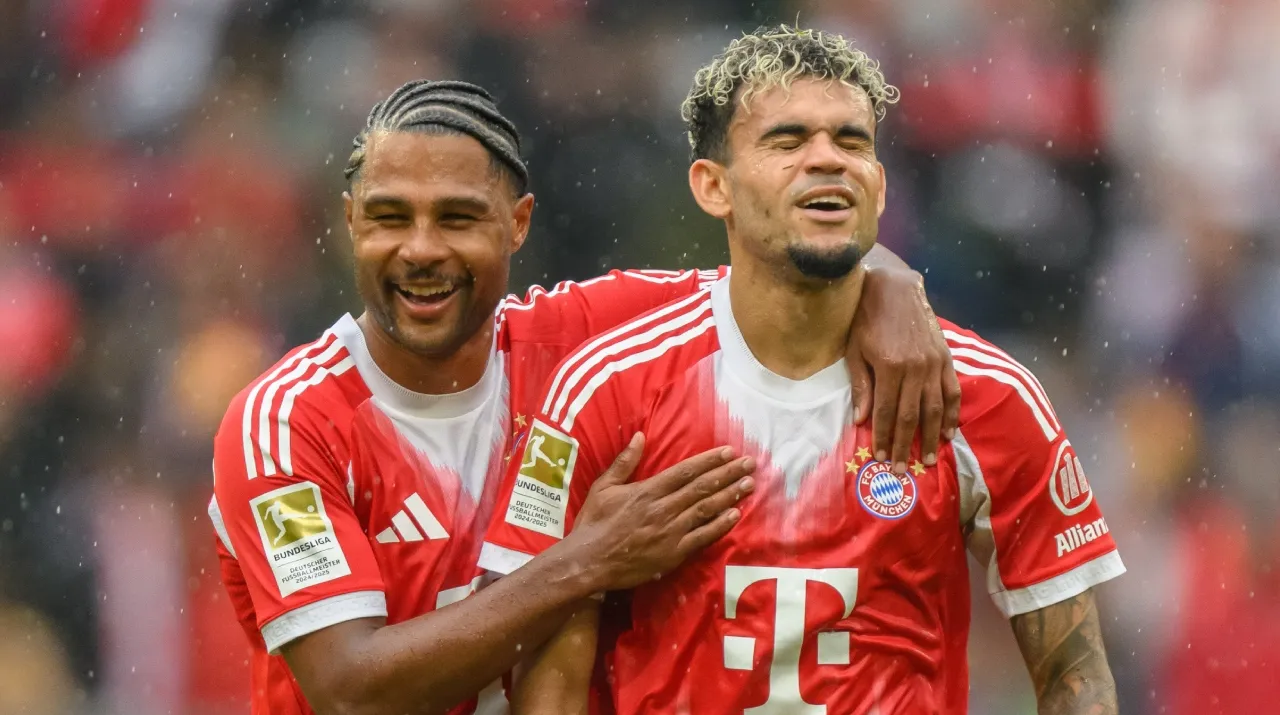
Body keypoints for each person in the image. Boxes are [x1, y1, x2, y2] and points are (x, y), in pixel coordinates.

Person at [209, 79, 960, 715]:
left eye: (459, 218)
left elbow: (785, 276)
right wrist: (587, 561)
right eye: (389, 217)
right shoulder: (284, 422)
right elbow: (349, 688)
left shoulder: (583, 340)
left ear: (519, 225)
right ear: (349, 225)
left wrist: (891, 281)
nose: (421, 248)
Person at [482, 25, 1124, 715]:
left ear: (879, 185)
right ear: (712, 187)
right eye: (787, 142)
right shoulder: (606, 386)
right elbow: (548, 688)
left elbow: (1075, 679)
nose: (828, 160)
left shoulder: (984, 395)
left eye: (851, 142)